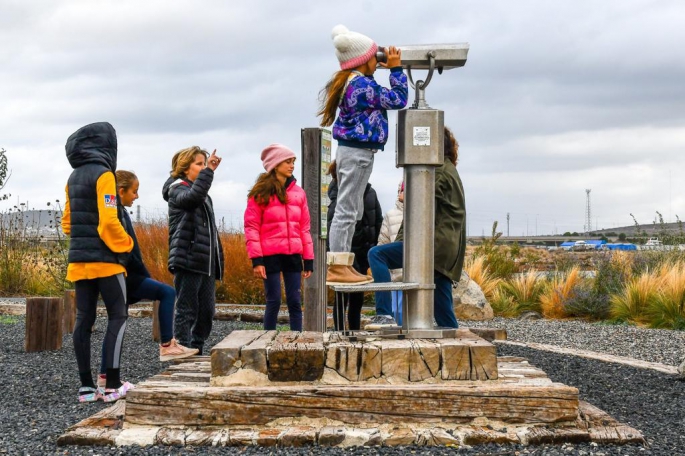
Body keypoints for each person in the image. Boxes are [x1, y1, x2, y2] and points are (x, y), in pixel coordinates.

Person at [318, 24, 408, 284]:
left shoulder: (355, 82)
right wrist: (395, 69)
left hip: (356, 152)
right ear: (363, 60)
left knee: (353, 210)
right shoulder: (360, 86)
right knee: (347, 211)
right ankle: (337, 265)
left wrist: (376, 64)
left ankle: (341, 263)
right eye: (373, 55)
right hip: (357, 153)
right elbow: (397, 99)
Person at [97, 171, 198, 389]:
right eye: (134, 191)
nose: (137, 196)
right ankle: (167, 344)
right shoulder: (115, 212)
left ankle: (105, 376)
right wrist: (142, 274)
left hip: (120, 273)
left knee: (117, 325)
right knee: (167, 292)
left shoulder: (118, 210)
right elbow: (127, 250)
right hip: (126, 274)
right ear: (121, 191)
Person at [62, 121, 135, 403]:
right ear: (106, 146)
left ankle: (86, 388)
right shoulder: (105, 176)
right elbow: (108, 222)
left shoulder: (73, 177)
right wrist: (126, 244)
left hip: (79, 260)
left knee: (84, 319)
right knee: (118, 315)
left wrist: (83, 234)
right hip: (106, 261)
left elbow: (67, 223)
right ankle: (112, 385)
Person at [366, 127, 466, 330]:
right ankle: (459, 348)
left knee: (377, 255)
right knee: (443, 310)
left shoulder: (436, 172)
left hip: (432, 247)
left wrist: (409, 193)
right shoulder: (446, 169)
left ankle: (384, 314)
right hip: (444, 249)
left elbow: (419, 202)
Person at [244, 144, 314, 331]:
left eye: (293, 161)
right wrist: (256, 260)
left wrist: (308, 259)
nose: (291, 166)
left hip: (293, 254)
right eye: (287, 161)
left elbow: (304, 227)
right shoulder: (260, 193)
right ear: (275, 164)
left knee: (294, 301)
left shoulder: (299, 193)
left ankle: (297, 342)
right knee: (273, 300)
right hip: (270, 255)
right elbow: (251, 227)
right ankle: (266, 341)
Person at [162, 147, 224, 355]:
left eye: (203, 164)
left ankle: (196, 348)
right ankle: (182, 349)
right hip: (187, 257)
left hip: (205, 262)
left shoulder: (204, 195)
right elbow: (192, 198)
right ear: (184, 167)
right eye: (199, 164)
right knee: (187, 309)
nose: (203, 167)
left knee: (207, 311)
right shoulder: (177, 188)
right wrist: (209, 172)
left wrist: (217, 258)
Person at [326, 161, 382, 331]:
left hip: (364, 253)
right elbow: (332, 228)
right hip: (345, 257)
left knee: (357, 299)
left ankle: (355, 331)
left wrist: (372, 247)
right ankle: (340, 332)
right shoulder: (338, 197)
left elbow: (377, 221)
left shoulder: (370, 193)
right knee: (341, 298)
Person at [377, 180, 405, 324]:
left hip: (415, 276)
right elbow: (383, 242)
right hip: (396, 276)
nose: (403, 193)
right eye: (401, 190)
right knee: (397, 313)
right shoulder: (390, 215)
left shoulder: (422, 213)